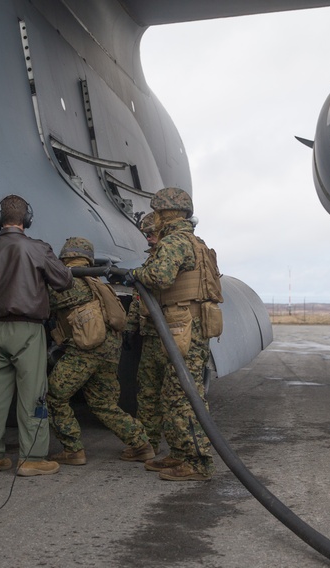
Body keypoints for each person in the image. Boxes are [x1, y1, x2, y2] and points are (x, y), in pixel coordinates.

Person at [0, 194, 72, 476]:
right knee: (33, 394)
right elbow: (63, 280)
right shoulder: (37, 249)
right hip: (28, 330)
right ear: (27, 219)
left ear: (0, 220)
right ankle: (33, 458)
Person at [130, 187, 223, 481]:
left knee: (183, 395)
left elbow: (159, 276)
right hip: (188, 325)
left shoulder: (174, 242)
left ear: (164, 213)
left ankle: (198, 462)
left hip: (184, 326)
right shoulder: (195, 242)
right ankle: (181, 454)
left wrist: (134, 274)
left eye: (156, 212)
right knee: (174, 392)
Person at [47, 237, 152, 466]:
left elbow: (42, 304)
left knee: (54, 396)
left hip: (85, 351)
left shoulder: (64, 280)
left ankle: (73, 449)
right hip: (109, 350)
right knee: (103, 403)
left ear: (64, 255)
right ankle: (141, 444)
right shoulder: (96, 281)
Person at [123, 212, 166, 455]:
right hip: (150, 336)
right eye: (145, 233)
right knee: (147, 392)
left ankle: (183, 451)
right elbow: (140, 299)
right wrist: (130, 328)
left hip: (171, 336)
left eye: (152, 233)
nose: (148, 237)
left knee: (172, 394)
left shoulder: (170, 259)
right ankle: (148, 445)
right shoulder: (151, 262)